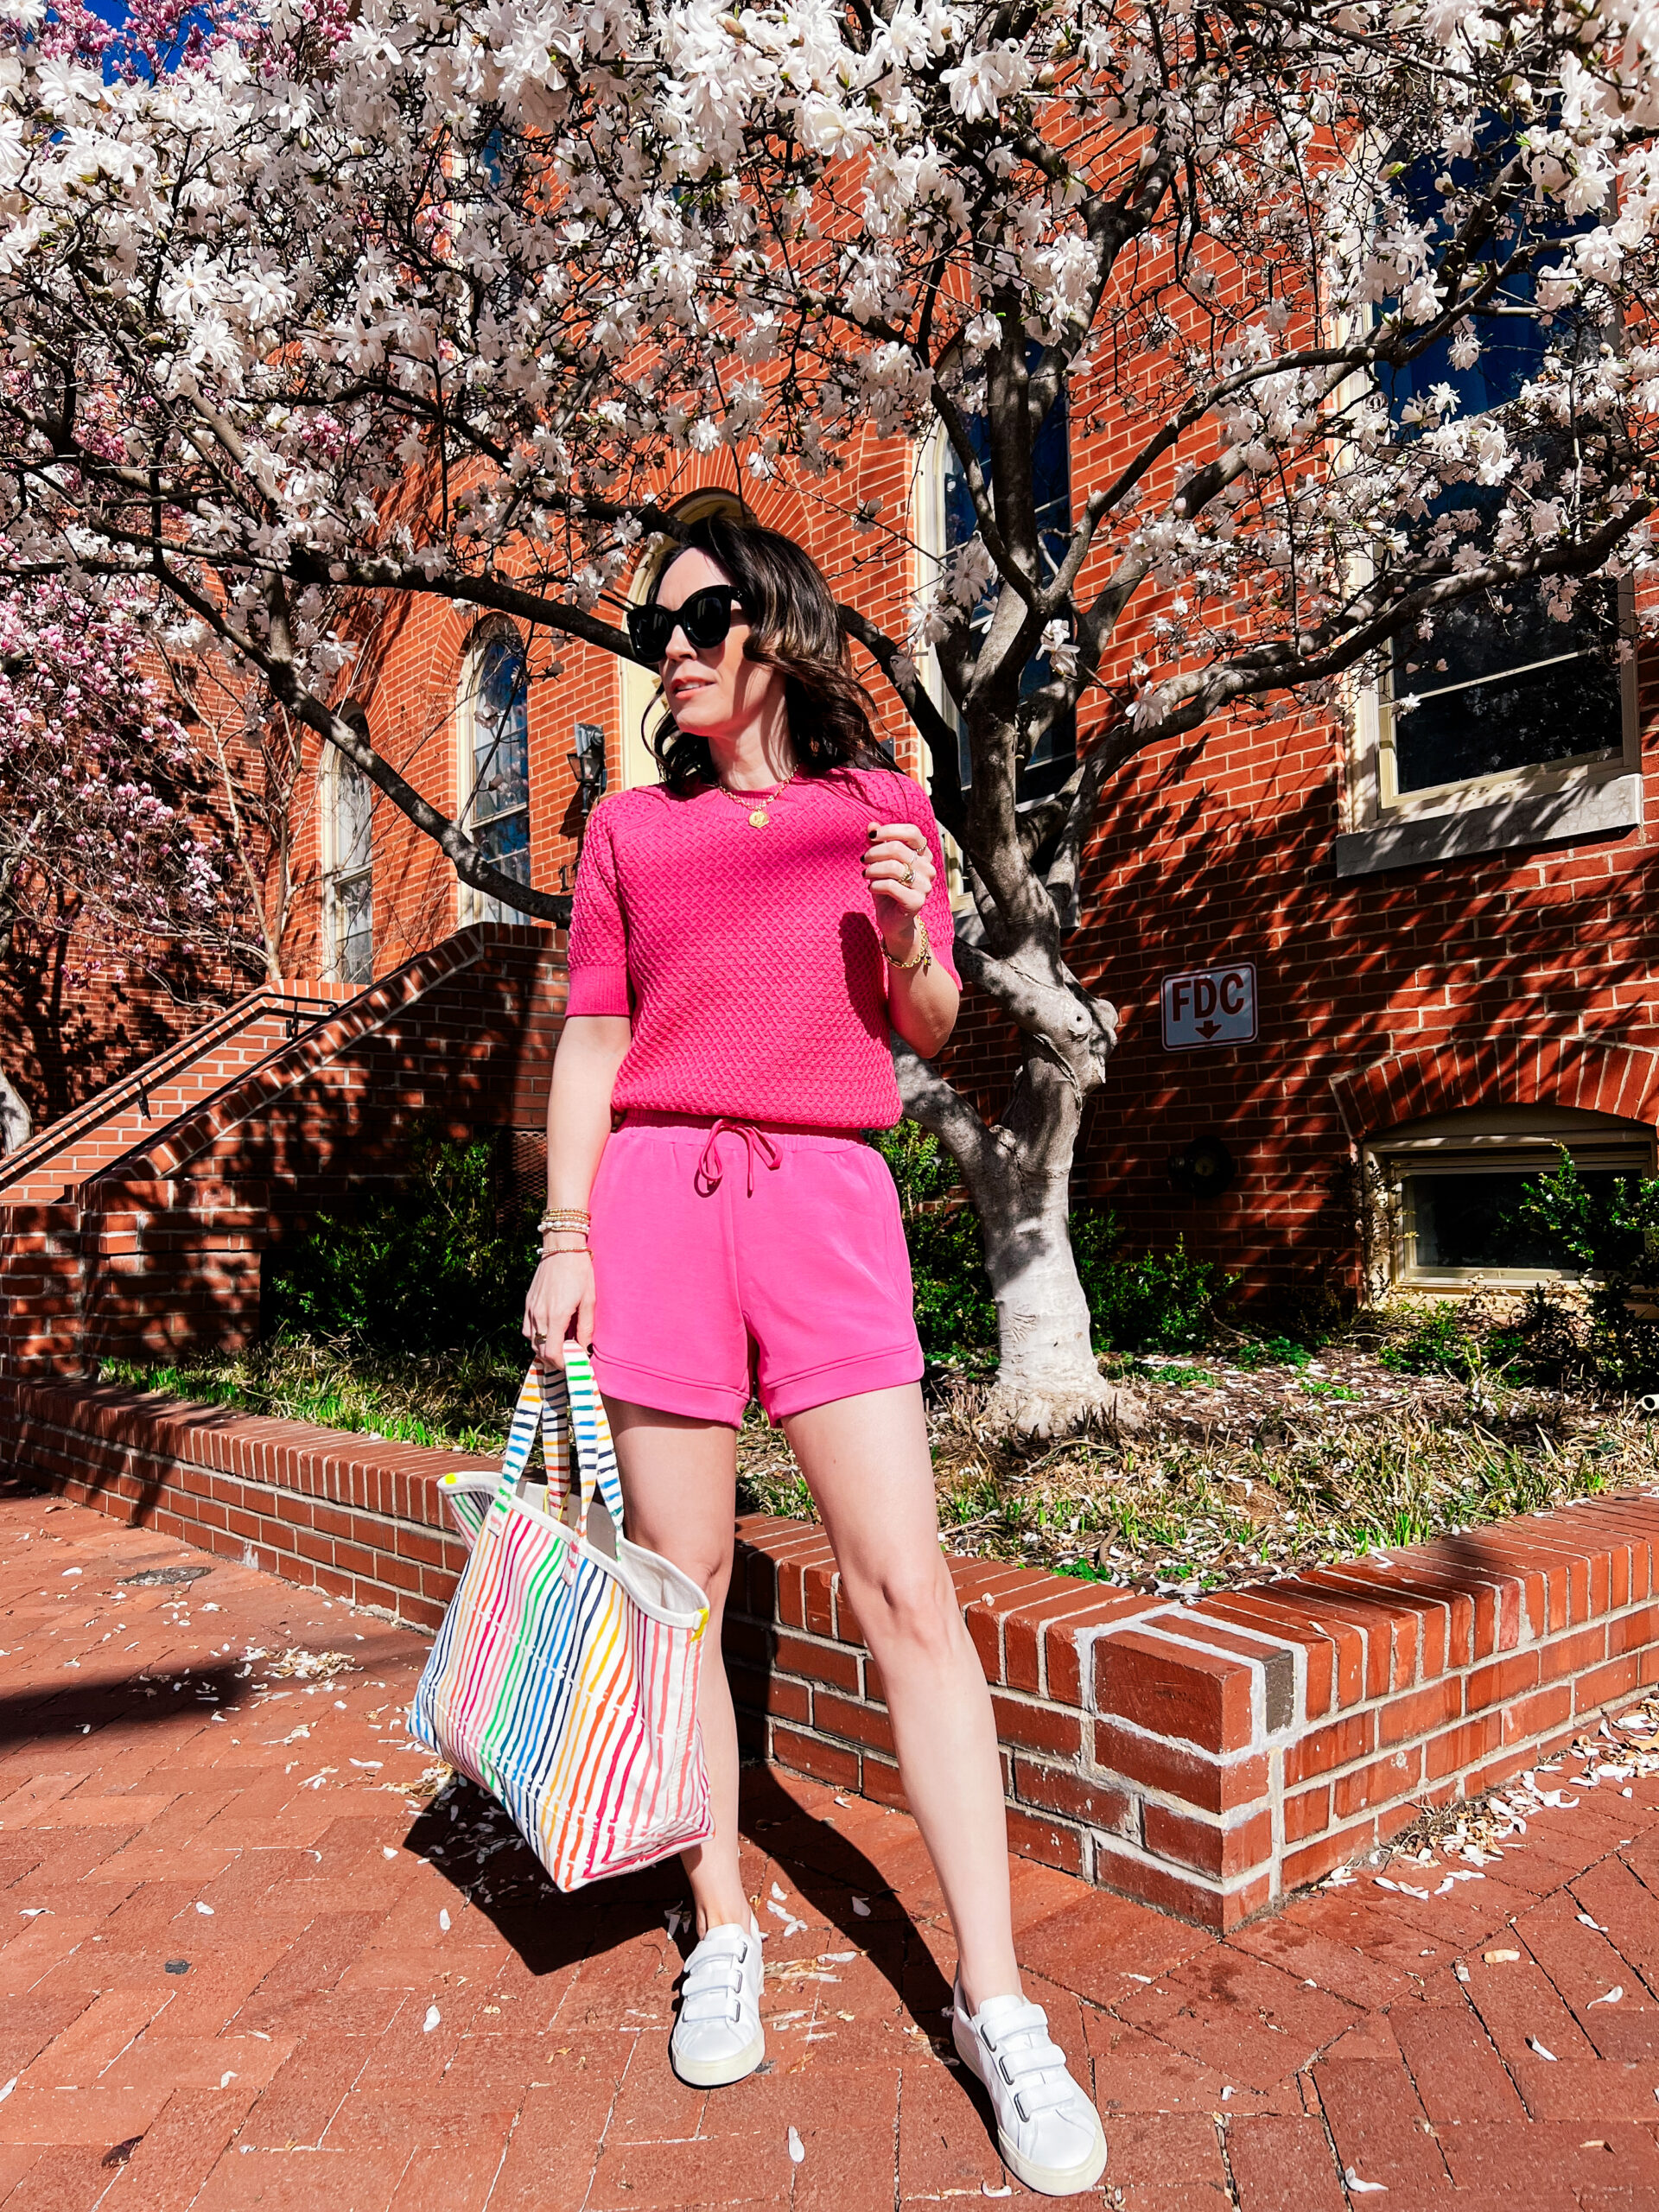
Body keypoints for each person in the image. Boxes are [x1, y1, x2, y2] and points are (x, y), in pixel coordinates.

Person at [522, 515, 1107, 2197]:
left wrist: (917, 936)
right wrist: (566, 1238)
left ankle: (997, 1997)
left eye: (703, 615)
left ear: (778, 624)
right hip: (651, 1200)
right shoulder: (631, 829)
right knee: (676, 1583)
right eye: (655, 625)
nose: (673, 645)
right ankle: (720, 1921)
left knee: (906, 1583)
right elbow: (595, 1040)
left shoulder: (882, 807)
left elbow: (921, 1025)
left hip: (827, 1202)